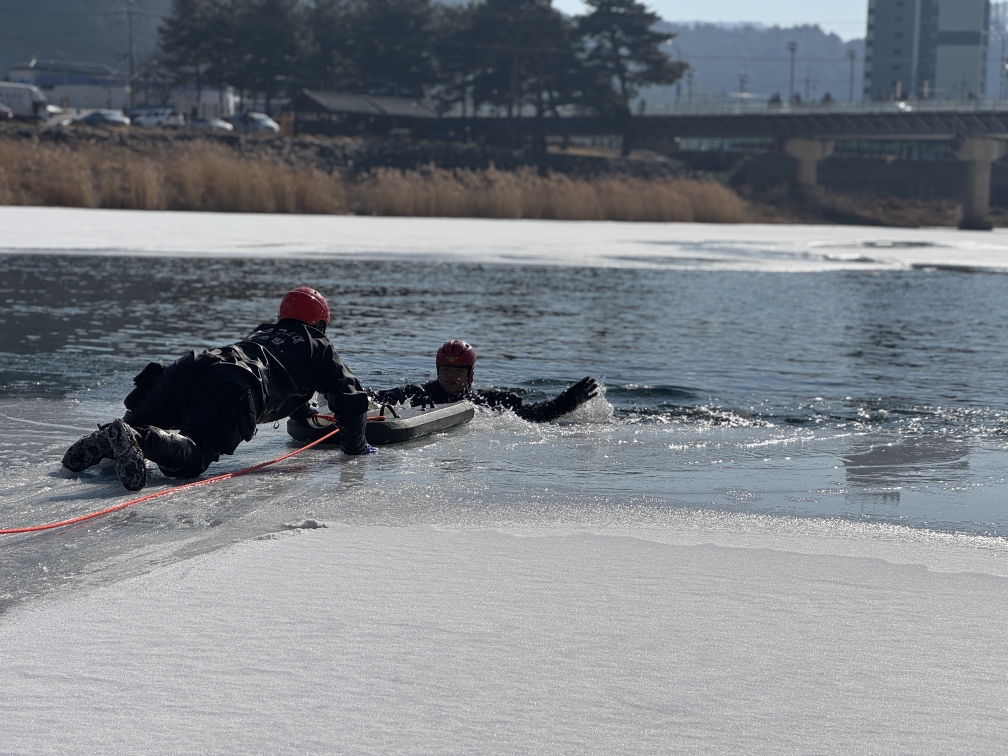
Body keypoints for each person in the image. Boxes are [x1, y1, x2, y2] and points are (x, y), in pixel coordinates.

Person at [62, 287, 371, 492]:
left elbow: (285, 376)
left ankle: (115, 434)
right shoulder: (319, 345)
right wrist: (356, 449)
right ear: (321, 324)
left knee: (146, 417)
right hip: (235, 383)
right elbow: (352, 401)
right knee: (192, 457)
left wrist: (302, 410)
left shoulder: (264, 333)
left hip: (193, 365)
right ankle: (137, 438)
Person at [369, 339, 600, 423]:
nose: (450, 376)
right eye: (446, 369)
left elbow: (532, 415)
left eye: (457, 371)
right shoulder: (416, 393)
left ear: (470, 374)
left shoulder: (485, 401)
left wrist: (566, 402)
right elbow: (373, 398)